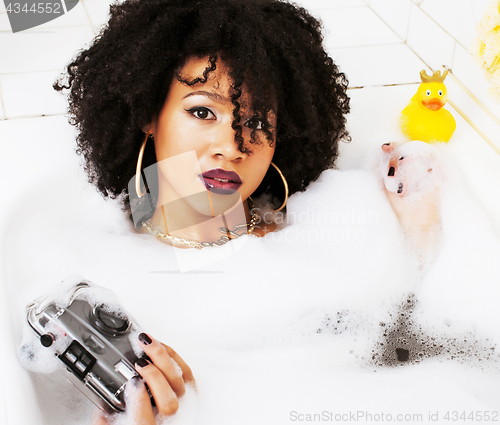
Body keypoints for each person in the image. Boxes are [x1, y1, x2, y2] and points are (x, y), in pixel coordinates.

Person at [54, 0, 350, 422]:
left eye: (259, 123)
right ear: (148, 114)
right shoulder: (84, 255)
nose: (231, 147)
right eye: (202, 111)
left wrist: (420, 228)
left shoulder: (316, 242)